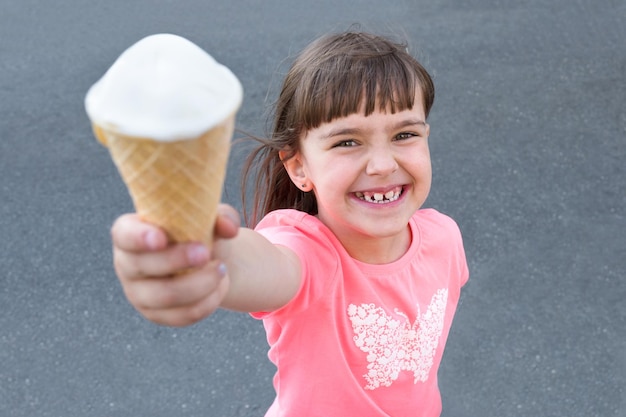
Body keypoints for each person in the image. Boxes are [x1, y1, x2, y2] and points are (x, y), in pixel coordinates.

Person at [111, 30, 469, 417]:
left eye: (405, 134)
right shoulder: (308, 253)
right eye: (347, 142)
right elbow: (260, 264)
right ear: (299, 167)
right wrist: (203, 250)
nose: (382, 165)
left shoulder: (444, 239)